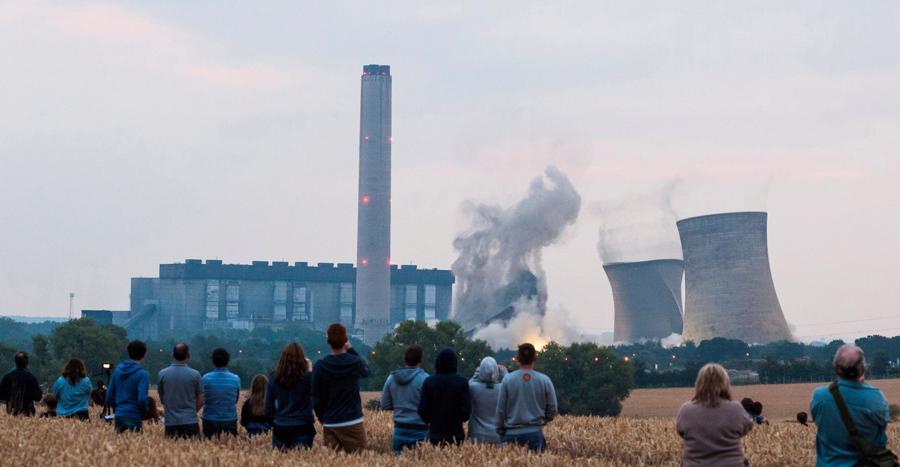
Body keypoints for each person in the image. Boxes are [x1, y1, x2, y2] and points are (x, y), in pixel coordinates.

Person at [811, 344, 890, 467]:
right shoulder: (876, 398)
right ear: (863, 369)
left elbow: (817, 420)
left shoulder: (820, 397)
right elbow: (882, 428)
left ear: (836, 369)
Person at [676, 363, 753, 467]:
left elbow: (681, 432)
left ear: (699, 384)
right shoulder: (735, 408)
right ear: (725, 383)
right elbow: (747, 426)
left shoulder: (686, 410)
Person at [312, 323, 369, 454]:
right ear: (345, 340)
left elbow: (315, 397)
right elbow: (366, 371)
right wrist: (351, 349)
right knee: (359, 461)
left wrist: (323, 419)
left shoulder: (321, 366)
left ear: (328, 341)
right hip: (353, 421)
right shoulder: (354, 362)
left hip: (331, 422)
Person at [496, 343, 557, 452]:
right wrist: (542, 421)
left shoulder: (507, 379)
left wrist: (500, 430)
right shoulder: (544, 380)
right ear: (535, 358)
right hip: (534, 434)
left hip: (511, 434)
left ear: (518, 358)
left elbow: (500, 409)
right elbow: (553, 408)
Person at [266, 343, 316, 450]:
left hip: (280, 426)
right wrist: (310, 371)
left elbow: (268, 408)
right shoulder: (307, 378)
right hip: (303, 426)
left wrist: (276, 421)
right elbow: (316, 397)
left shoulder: (274, 378)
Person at [381, 344, 429, 453]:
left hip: (400, 429)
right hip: (420, 430)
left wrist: (399, 406)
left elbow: (384, 404)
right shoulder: (426, 379)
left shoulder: (392, 378)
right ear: (421, 360)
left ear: (405, 359)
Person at [418, 348, 470, 447]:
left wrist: (431, 420)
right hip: (456, 435)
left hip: (435, 434)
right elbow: (466, 411)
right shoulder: (462, 382)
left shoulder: (429, 382)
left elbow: (422, 410)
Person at [157, 343, 203, 439]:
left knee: (171, 452)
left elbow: (162, 398)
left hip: (171, 422)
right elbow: (200, 399)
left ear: (172, 355)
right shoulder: (195, 375)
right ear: (188, 356)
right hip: (190, 421)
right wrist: (192, 412)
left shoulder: (162, 374)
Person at [107, 340, 150, 433]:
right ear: (144, 355)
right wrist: (144, 412)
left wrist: (116, 408)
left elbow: (109, 395)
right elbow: (142, 399)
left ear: (129, 352)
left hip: (119, 415)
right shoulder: (143, 375)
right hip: (134, 415)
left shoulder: (117, 371)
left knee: (120, 446)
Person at [201, 348, 241, 438]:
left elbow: (203, 398)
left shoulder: (205, 378)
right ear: (228, 361)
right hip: (229, 419)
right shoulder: (235, 379)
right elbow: (236, 399)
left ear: (213, 361)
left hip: (209, 419)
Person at [468, 356, 508, 444]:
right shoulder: (502, 388)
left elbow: (468, 384)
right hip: (497, 436)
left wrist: (477, 372)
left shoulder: (473, 387)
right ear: (496, 371)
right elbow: (511, 386)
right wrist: (505, 373)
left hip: (476, 436)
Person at [0, 351, 43, 416]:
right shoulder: (31, 378)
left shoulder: (7, 377)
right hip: (28, 414)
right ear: (27, 363)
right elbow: (38, 397)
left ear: (15, 362)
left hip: (11, 415)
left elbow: (1, 395)